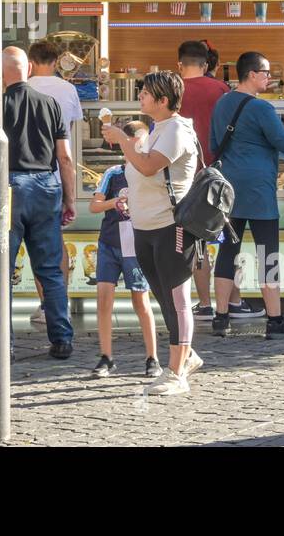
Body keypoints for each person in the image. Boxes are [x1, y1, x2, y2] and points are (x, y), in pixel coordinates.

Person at [102, 72, 202, 395]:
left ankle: (176, 371)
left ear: (163, 101)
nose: (141, 96)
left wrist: (123, 140)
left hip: (170, 226)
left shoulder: (175, 130)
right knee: (163, 296)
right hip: (145, 227)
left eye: (146, 93)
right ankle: (186, 354)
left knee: (177, 298)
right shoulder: (159, 129)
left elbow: (148, 166)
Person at [208, 52, 284, 339]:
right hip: (259, 190)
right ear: (252, 74)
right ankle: (275, 319)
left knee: (227, 250)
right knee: (268, 254)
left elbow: (214, 144)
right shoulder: (261, 109)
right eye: (265, 73)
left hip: (229, 189)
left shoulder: (221, 104)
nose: (269, 78)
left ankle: (221, 317)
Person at [4, 46, 77, 358]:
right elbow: (65, 156)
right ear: (29, 68)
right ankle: (61, 338)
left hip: (8, 190)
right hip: (47, 186)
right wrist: (70, 198)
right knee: (49, 269)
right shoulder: (50, 104)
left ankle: (2, 341)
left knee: (0, 269)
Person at [175, 39, 250, 320]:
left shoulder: (173, 88)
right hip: (218, 174)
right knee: (224, 238)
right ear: (206, 65)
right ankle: (234, 300)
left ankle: (205, 303)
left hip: (184, 175)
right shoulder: (220, 89)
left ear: (179, 63)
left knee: (196, 240)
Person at [88, 120, 161, 379]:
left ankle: (152, 357)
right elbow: (94, 206)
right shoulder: (114, 173)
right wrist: (114, 203)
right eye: (132, 144)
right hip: (109, 242)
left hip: (135, 244)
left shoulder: (149, 172)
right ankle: (106, 356)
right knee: (103, 300)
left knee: (141, 300)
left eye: (141, 143)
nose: (137, 149)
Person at [25, 39, 83, 323]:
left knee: (36, 245)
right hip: (57, 177)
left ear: (31, 62)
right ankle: (61, 300)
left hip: (23, 176)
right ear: (56, 61)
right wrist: (71, 195)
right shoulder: (69, 89)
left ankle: (46, 304)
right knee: (55, 242)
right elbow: (68, 139)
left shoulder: (20, 88)